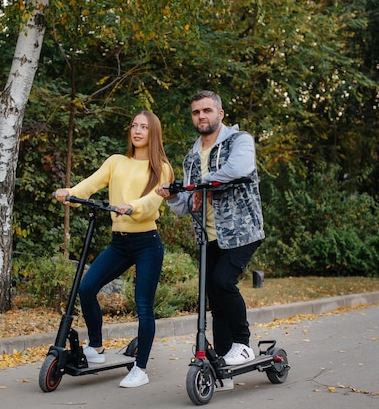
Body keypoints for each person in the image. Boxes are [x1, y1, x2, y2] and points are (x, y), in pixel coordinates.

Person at [54, 110, 174, 388]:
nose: (138, 131)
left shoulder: (162, 168)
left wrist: (132, 206)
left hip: (147, 243)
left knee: (143, 306)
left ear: (153, 133)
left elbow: (152, 202)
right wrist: (70, 193)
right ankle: (95, 347)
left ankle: (140, 368)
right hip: (120, 243)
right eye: (134, 125)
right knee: (86, 288)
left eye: (144, 127)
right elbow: (91, 184)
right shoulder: (116, 162)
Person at [156, 90, 264, 391]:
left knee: (222, 283)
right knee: (213, 297)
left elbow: (239, 170)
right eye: (196, 112)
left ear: (220, 114)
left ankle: (243, 344)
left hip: (242, 231)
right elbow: (184, 206)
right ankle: (222, 364)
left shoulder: (239, 142)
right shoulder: (191, 157)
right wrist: (175, 194)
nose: (201, 116)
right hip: (209, 236)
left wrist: (201, 187)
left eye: (207, 110)